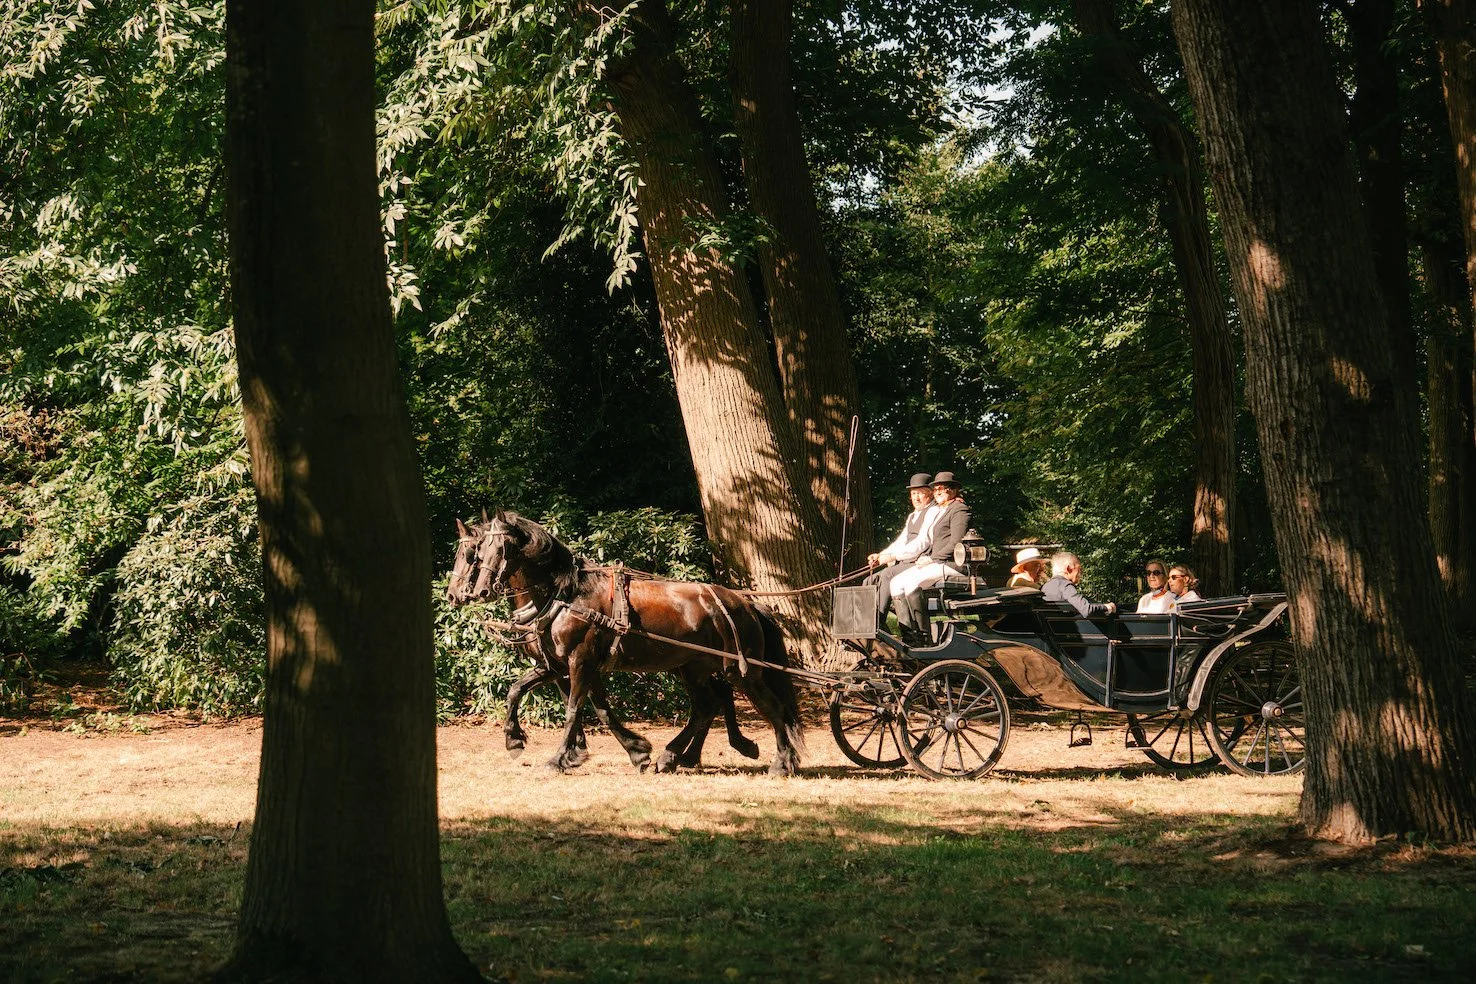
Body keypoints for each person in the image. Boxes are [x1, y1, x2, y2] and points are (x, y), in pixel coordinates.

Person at [888, 471, 973, 644]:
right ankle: (910, 637)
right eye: (936, 489)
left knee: (912, 584)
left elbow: (956, 543)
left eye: (944, 488)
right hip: (937, 562)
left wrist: (932, 559)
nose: (939, 491)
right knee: (895, 583)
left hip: (952, 564)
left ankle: (924, 637)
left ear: (954, 490)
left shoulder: (960, 509)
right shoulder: (942, 510)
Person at [865, 473, 939, 626]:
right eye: (913, 494)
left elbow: (923, 542)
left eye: (920, 493)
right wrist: (881, 555)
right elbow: (901, 541)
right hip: (907, 561)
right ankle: (867, 623)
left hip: (921, 561)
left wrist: (892, 557)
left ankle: (876, 624)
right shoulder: (912, 516)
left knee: (887, 575)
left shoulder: (933, 511)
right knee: (870, 580)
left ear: (930, 493)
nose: (916, 498)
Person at [1041, 551, 1117, 617]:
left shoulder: (1045, 587)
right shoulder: (1065, 586)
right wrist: (1107, 607)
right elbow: (1087, 610)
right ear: (1069, 569)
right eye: (1079, 569)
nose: (1080, 573)